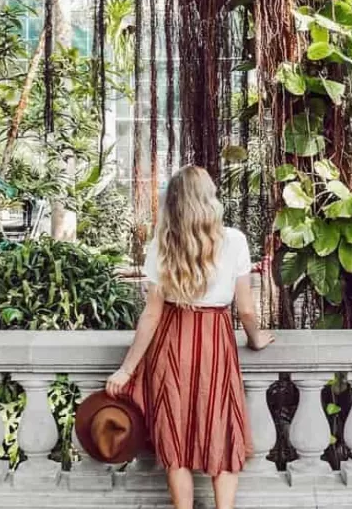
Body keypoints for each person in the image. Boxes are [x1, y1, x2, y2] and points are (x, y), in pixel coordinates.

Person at [106, 165, 274, 509]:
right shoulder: (235, 240)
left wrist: (126, 369)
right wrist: (256, 339)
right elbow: (245, 310)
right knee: (222, 428)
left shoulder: (163, 244)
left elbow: (152, 314)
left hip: (171, 344)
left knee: (175, 433)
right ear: (209, 198)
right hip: (216, 344)